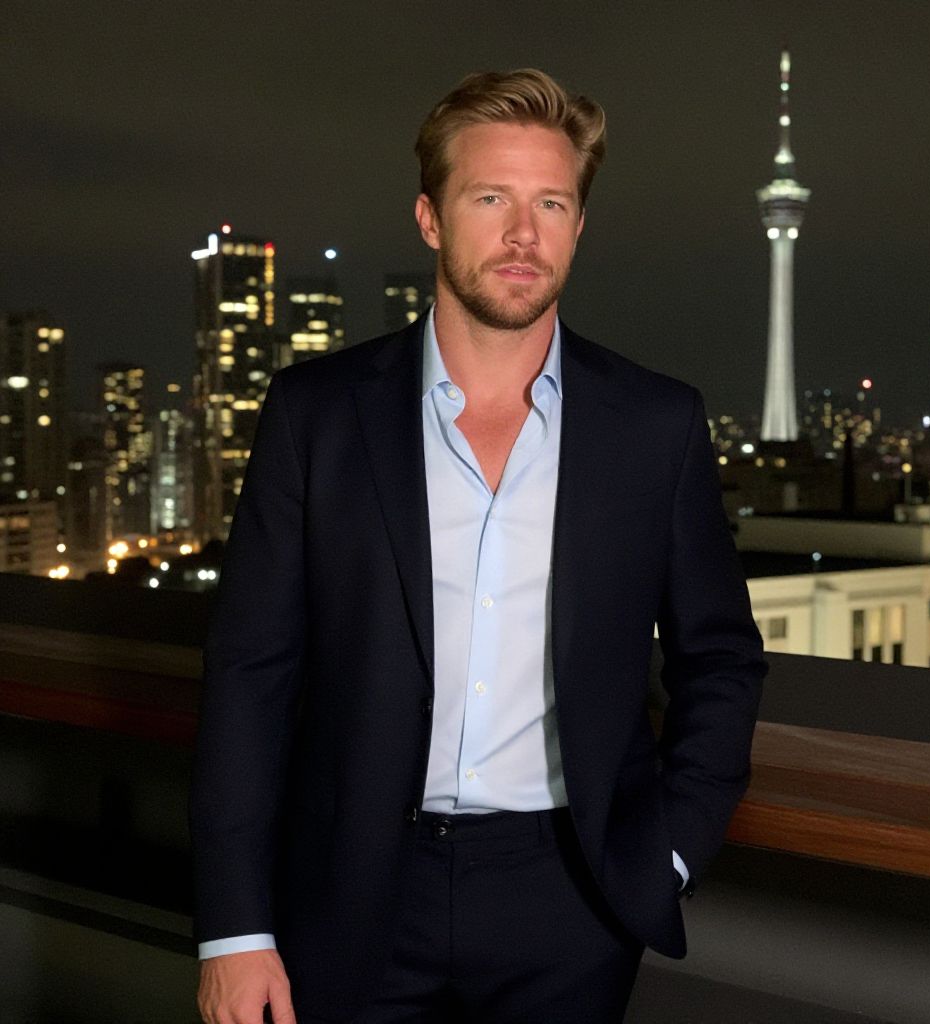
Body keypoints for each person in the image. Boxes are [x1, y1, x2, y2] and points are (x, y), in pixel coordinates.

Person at [191, 68, 765, 1024]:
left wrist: (663, 854)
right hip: (348, 892)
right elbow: (250, 673)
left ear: (579, 226)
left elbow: (722, 658)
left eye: (552, 203)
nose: (523, 233)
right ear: (430, 218)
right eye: (491, 198)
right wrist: (234, 931)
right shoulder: (316, 415)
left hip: (571, 899)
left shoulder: (655, 425)